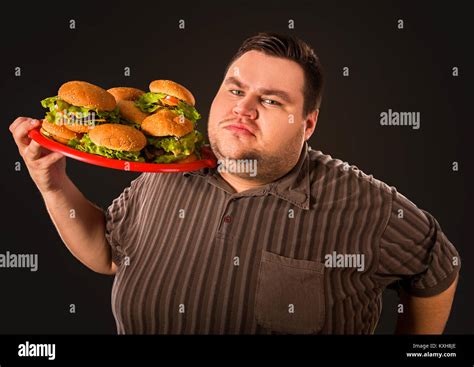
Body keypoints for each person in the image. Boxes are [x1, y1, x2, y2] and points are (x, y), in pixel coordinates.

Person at [9, 32, 460, 334]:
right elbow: (109, 255)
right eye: (235, 89)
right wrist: (52, 183)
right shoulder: (167, 170)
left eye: (269, 99)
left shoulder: (366, 205)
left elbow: (438, 264)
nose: (242, 109)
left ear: (307, 124)